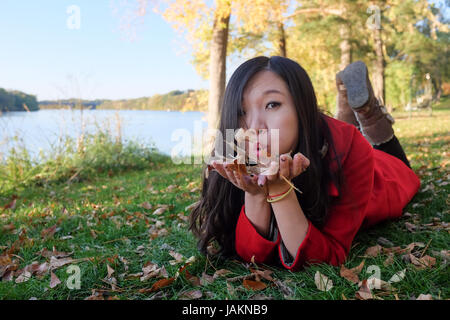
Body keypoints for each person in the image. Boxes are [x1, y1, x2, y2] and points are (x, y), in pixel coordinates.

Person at [189, 56, 420, 271]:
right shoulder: (234, 157)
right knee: (338, 132)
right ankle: (347, 108)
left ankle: (369, 115)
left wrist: (281, 191)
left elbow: (325, 258)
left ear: (301, 107)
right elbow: (251, 257)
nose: (254, 126)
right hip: (319, 137)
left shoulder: (352, 149)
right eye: (241, 111)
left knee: (396, 161)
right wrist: (257, 195)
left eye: (272, 104)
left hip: (382, 176)